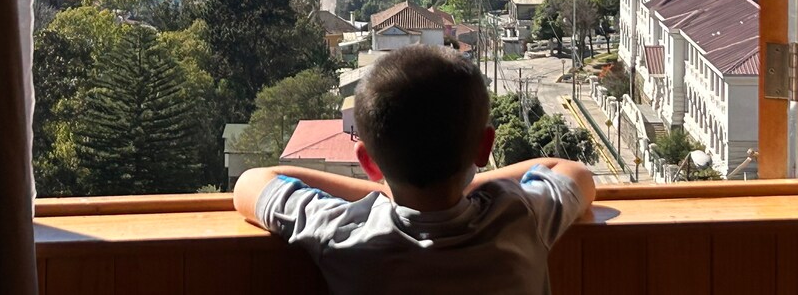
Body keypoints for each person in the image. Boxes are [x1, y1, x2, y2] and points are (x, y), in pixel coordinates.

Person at [233, 45, 595, 295]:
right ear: (485, 147)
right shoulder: (522, 215)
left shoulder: (341, 232)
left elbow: (251, 183)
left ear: (368, 162)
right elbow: (574, 172)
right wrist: (473, 182)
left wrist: (382, 191)